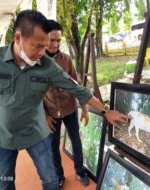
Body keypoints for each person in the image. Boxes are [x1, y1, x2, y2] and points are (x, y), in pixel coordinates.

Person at [0, 10, 128, 190]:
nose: (43, 52)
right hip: (2, 137)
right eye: (37, 46)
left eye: (45, 46)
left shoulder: (48, 65)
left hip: (36, 134)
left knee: (51, 182)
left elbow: (77, 88)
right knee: (4, 185)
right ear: (18, 37)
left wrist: (105, 111)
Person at [44, 20, 89, 187]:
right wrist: (43, 116)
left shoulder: (67, 59)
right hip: (50, 114)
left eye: (58, 40)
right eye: (52, 40)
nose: (55, 44)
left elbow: (77, 85)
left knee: (76, 141)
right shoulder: (37, 62)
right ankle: (59, 176)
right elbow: (33, 96)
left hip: (70, 109)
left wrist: (84, 108)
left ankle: (80, 170)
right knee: (53, 147)